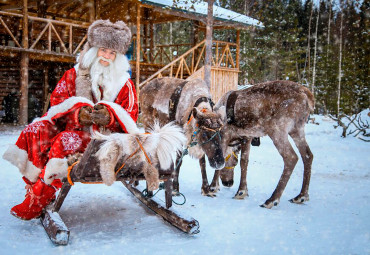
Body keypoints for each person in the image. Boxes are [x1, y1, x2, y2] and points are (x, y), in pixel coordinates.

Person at [2, 20, 139, 220]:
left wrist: (109, 117)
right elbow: (57, 102)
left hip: (107, 140)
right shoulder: (73, 75)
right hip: (76, 130)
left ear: (117, 57)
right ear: (94, 50)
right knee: (35, 130)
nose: (107, 57)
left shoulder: (125, 84)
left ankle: (39, 197)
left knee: (64, 141)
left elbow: (131, 115)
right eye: (103, 50)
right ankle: (35, 185)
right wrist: (77, 114)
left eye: (112, 53)